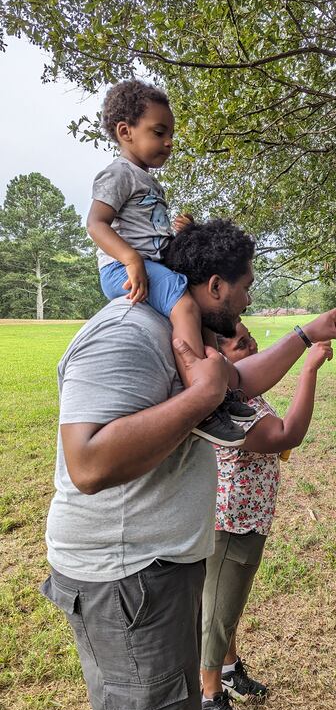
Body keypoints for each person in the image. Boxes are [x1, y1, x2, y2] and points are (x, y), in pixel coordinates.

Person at [41, 216, 336, 710]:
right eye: (246, 284)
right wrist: (199, 398)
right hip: (124, 578)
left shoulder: (183, 341)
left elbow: (243, 380)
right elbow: (87, 465)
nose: (250, 295)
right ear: (214, 287)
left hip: (156, 570)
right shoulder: (127, 333)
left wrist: (304, 335)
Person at [86, 79, 250, 447]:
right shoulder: (117, 174)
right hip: (125, 269)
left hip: (151, 264)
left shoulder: (149, 182)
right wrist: (129, 258)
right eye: (159, 132)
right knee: (185, 303)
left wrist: (182, 233)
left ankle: (216, 388)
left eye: (170, 134)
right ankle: (201, 403)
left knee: (203, 312)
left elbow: (153, 235)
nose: (169, 142)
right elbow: (95, 224)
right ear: (125, 132)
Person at [200, 322, 333, 710]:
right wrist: (308, 370)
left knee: (230, 605)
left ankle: (227, 669)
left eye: (250, 336)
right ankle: (208, 697)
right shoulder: (223, 399)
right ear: (218, 357)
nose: (253, 344)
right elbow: (285, 434)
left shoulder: (245, 393)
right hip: (232, 522)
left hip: (250, 517)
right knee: (217, 615)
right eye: (241, 343)